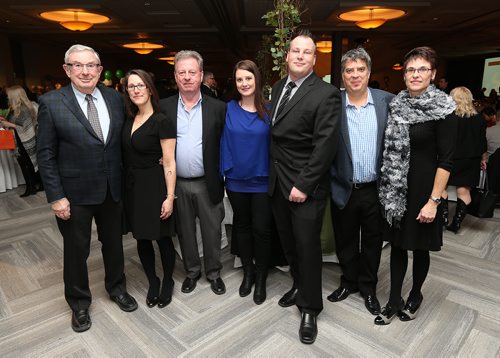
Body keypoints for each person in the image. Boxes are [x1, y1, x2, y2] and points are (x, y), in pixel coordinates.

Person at [36, 44, 137, 333]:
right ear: (67, 70)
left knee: (115, 245)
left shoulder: (115, 99)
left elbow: (123, 141)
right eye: (77, 65)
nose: (85, 71)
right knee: (76, 251)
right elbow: (45, 154)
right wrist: (56, 196)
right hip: (74, 194)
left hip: (111, 190)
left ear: (100, 70)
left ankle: (117, 289)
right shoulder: (52, 102)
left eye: (91, 65)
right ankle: (79, 304)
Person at [376, 46, 457, 325]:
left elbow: (446, 161)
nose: (415, 74)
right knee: (398, 246)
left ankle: (415, 295)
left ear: (433, 74)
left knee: (419, 248)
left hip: (426, 191)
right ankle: (393, 300)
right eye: (411, 69)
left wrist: (433, 201)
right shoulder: (396, 105)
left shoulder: (444, 109)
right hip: (397, 191)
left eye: (422, 69)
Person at [269, 30, 341, 344]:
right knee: (289, 244)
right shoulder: (277, 87)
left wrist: (303, 184)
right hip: (276, 182)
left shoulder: (325, 93)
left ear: (314, 59)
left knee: (308, 248)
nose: (300, 56)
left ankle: (310, 308)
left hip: (304, 186)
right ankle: (298, 286)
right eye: (295, 51)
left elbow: (325, 146)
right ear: (286, 56)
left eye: (307, 52)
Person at [328, 48, 394, 315]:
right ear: (342, 75)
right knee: (344, 240)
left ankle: (368, 288)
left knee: (372, 242)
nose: (354, 75)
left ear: (369, 72)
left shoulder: (386, 101)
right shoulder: (332, 103)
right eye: (349, 70)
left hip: (374, 189)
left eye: (360, 70)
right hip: (343, 187)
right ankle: (348, 281)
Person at [159, 50, 226, 296]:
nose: (187, 77)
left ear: (200, 75)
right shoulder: (163, 107)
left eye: (192, 72)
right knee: (185, 232)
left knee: (212, 231)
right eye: (181, 72)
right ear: (175, 76)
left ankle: (214, 273)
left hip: (207, 182)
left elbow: (226, 145)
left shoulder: (219, 108)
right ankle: (192, 272)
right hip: (177, 184)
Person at [122, 69, 177, 308]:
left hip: (155, 186)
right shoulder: (128, 119)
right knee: (142, 238)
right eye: (131, 86)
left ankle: (167, 282)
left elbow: (169, 161)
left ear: (149, 89)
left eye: (140, 85)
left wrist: (170, 196)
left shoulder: (162, 120)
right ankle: (152, 281)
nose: (136, 90)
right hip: (132, 187)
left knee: (162, 238)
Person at [220, 60, 271, 305]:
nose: (244, 83)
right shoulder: (227, 108)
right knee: (241, 227)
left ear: (256, 80)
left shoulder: (269, 110)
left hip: (262, 180)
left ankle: (261, 276)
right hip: (236, 180)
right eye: (239, 79)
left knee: (261, 230)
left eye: (248, 78)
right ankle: (248, 272)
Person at [442, 87, 487, 233]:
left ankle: (442, 220)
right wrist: (483, 158)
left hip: (450, 158)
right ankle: (456, 223)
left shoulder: (449, 117)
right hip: (471, 160)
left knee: (440, 188)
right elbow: (482, 142)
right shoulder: (479, 118)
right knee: (463, 192)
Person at [0, 85, 41, 196]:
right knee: (25, 164)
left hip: (26, 140)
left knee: (28, 164)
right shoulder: (14, 109)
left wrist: (9, 124)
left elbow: (25, 127)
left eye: (8, 95)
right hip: (19, 140)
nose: (7, 97)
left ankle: (32, 187)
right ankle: (33, 186)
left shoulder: (24, 109)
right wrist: (5, 120)